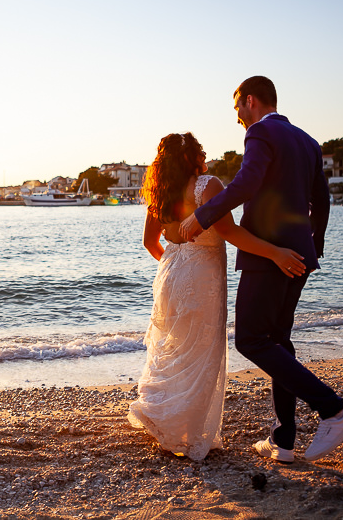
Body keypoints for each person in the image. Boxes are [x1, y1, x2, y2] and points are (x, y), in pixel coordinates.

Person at [180, 76, 343, 464]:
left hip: (270, 254)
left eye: (237, 110)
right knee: (278, 340)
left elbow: (246, 185)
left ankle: (334, 409)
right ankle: (284, 439)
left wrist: (203, 215)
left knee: (250, 339)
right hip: (300, 253)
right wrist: (314, 244)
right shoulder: (308, 141)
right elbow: (322, 201)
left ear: (250, 101)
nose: (238, 119)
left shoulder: (261, 133)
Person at [128, 131, 307, 461]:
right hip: (204, 278)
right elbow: (231, 232)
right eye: (200, 152)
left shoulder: (161, 192)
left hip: (170, 277)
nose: (204, 157)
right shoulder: (206, 185)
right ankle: (188, 431)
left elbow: (150, 243)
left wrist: (176, 264)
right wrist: (276, 253)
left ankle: (164, 418)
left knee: (175, 350)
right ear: (191, 157)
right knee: (201, 355)